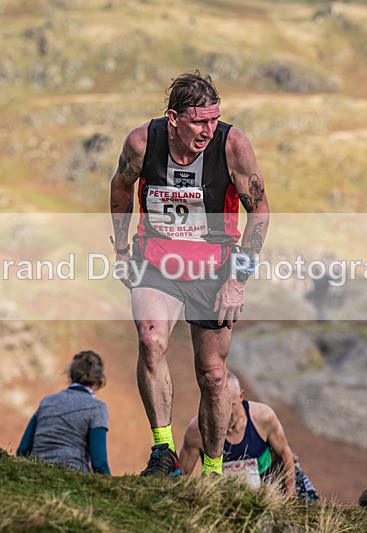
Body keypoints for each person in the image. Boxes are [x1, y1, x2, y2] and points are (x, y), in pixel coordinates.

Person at [109, 71, 270, 476]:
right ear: (173, 118)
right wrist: (123, 249)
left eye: (214, 119)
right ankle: (163, 451)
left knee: (214, 376)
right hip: (155, 259)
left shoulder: (232, 145)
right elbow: (121, 190)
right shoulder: (143, 143)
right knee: (151, 341)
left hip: (215, 267)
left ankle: (213, 470)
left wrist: (237, 281)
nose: (208, 129)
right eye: (200, 121)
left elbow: (260, 212)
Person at [179, 372, 307, 498]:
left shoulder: (263, 417)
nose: (224, 414)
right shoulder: (197, 430)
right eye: (217, 407)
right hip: (221, 502)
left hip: (265, 498)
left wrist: (291, 494)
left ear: (241, 396)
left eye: (231, 405)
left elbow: (285, 452)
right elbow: (182, 476)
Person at [16, 350, 110, 475]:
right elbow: (99, 463)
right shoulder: (97, 408)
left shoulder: (46, 402)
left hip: (34, 474)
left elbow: (23, 450)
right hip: (73, 476)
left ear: (71, 375)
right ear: (98, 382)